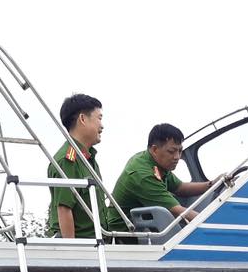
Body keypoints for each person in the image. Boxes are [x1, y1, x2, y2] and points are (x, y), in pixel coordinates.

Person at [112, 123, 225, 224]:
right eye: (171, 151)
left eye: (180, 151)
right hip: (125, 238)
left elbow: (180, 187)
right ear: (155, 150)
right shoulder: (143, 175)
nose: (177, 157)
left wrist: (213, 183)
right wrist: (214, 225)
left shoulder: (153, 162)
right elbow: (178, 211)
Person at [47, 94, 125, 239]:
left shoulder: (88, 158)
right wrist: (73, 253)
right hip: (84, 248)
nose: (102, 126)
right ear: (83, 119)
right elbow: (64, 208)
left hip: (97, 244)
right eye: (99, 118)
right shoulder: (67, 159)